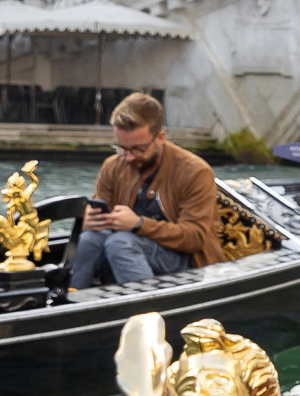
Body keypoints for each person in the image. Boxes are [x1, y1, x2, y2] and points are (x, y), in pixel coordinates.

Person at [70, 91, 221, 288]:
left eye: (137, 149)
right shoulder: (112, 166)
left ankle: (147, 310)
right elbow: (98, 216)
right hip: (127, 251)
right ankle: (72, 298)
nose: (129, 157)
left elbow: (195, 238)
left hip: (186, 261)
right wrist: (89, 220)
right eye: (122, 148)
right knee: (90, 239)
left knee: (120, 243)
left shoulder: (195, 171)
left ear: (160, 137)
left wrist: (139, 224)